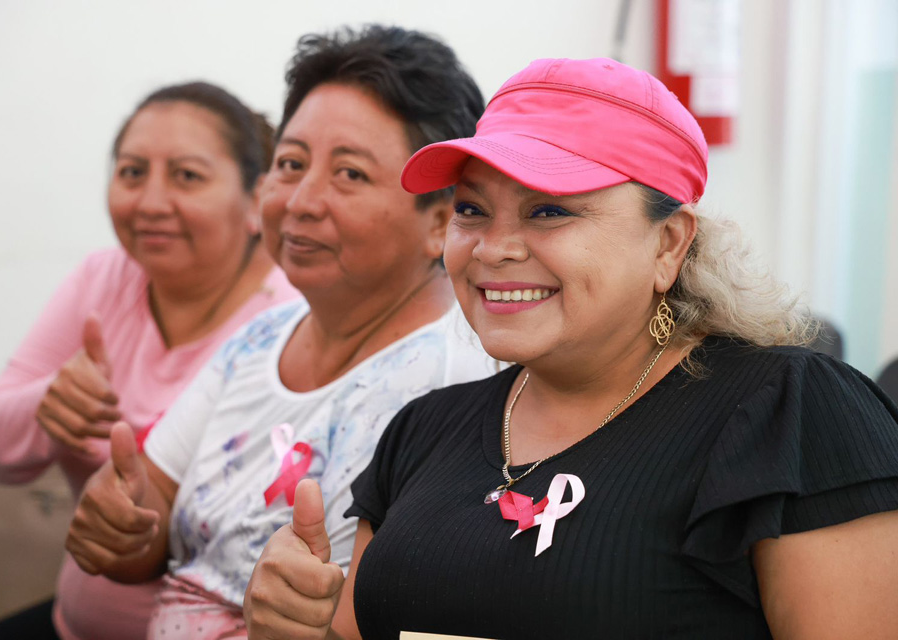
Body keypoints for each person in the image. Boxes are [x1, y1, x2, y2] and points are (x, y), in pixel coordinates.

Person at [246, 58, 898, 640]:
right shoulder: (423, 430)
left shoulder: (788, 415)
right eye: (471, 211)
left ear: (669, 243)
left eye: (549, 212)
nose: (494, 249)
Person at [64, 25, 495, 639]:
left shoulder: (456, 388)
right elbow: (151, 532)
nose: (300, 200)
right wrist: (122, 525)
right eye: (290, 164)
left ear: (440, 221)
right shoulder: (258, 339)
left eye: (349, 174)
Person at [0, 81, 300, 640]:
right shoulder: (102, 278)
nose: (150, 202)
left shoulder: (291, 316)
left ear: (257, 200)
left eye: (187, 176)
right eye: (132, 172)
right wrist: (47, 408)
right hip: (70, 623)